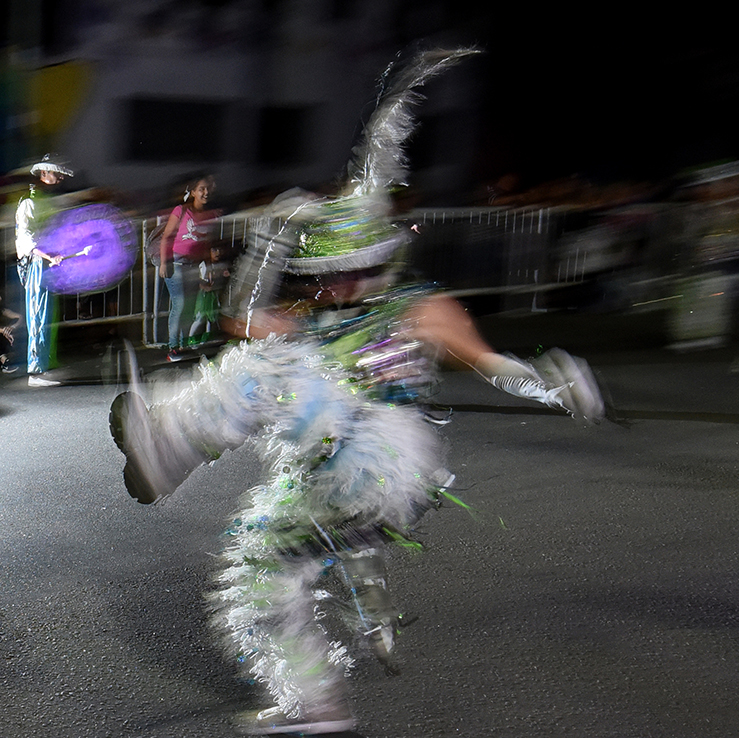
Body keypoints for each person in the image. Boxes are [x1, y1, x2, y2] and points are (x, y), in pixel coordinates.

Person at [108, 47, 604, 736]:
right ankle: (315, 704)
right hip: (328, 474)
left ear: (379, 261)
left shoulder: (418, 309)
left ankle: (171, 442)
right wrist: (275, 234)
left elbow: (493, 365)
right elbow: (239, 316)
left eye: (351, 271)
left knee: (269, 368)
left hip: (384, 459)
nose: (335, 287)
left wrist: (554, 386)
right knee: (256, 570)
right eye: (326, 274)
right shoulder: (312, 317)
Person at [14, 154, 74, 386]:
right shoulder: (29, 202)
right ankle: (36, 370)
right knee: (38, 314)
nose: (59, 178)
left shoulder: (45, 201)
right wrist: (50, 255)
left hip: (47, 262)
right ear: (43, 174)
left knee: (48, 315)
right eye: (56, 174)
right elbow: (27, 241)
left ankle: (46, 363)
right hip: (38, 263)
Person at [159, 174, 218, 361]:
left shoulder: (209, 216)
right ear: (193, 192)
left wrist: (208, 268)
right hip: (176, 263)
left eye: (207, 189)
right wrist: (163, 262)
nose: (205, 192)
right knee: (180, 304)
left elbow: (206, 245)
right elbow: (167, 237)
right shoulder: (181, 211)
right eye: (201, 189)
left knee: (190, 307)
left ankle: (184, 346)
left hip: (193, 265)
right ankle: (173, 347)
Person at [188, 242, 229, 344]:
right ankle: (190, 339)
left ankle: (206, 341)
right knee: (200, 318)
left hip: (214, 295)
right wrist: (205, 287)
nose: (217, 253)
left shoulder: (221, 265)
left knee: (211, 318)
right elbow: (200, 281)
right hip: (205, 295)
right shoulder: (204, 265)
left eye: (219, 250)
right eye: (214, 250)